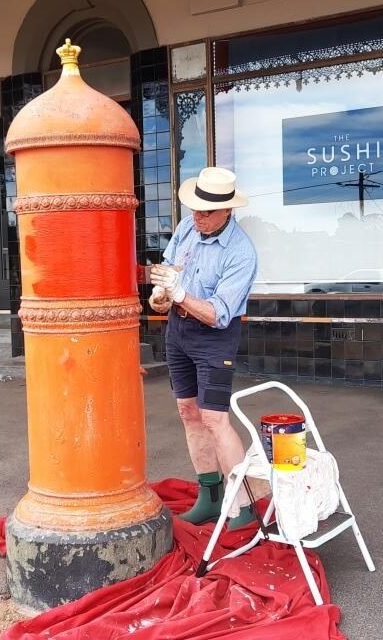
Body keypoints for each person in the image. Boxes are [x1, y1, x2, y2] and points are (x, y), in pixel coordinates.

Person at [149, 167, 258, 528]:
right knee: (187, 412)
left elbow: (219, 315)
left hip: (214, 336)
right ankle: (209, 495)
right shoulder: (188, 227)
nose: (197, 217)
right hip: (178, 330)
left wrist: (181, 294)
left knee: (214, 418)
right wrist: (162, 294)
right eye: (194, 208)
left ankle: (242, 504)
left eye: (206, 212)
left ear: (227, 210)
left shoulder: (241, 253)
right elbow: (171, 266)